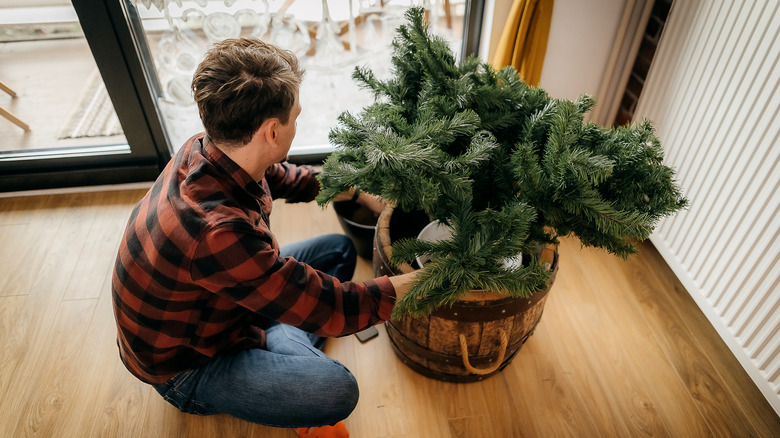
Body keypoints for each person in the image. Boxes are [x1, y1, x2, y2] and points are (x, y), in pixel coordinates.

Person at [111, 37, 417, 438]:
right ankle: (281, 340)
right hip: (188, 366)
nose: (297, 122)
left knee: (339, 251)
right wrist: (424, 281)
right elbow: (337, 308)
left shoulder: (206, 148)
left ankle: (280, 330)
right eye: (295, 116)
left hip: (217, 305)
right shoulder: (215, 232)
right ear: (272, 131)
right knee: (337, 390)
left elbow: (281, 176)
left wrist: (357, 192)